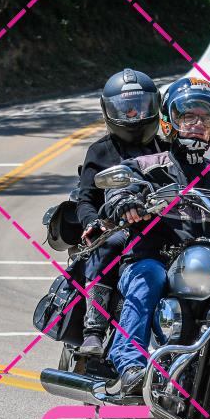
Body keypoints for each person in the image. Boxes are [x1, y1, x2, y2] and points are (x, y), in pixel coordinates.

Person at [102, 77, 210, 395]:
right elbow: (120, 188)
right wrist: (126, 201)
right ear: (170, 121)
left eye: (206, 118)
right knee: (149, 276)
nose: (198, 124)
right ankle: (130, 365)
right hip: (154, 257)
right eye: (189, 116)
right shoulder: (148, 166)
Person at [72, 68, 168, 356]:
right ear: (109, 110)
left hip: (161, 226)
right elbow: (85, 199)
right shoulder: (100, 151)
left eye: (141, 106)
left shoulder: (167, 150)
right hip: (117, 227)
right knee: (109, 242)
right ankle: (94, 328)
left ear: (155, 106)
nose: (134, 115)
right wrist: (94, 223)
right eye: (125, 108)